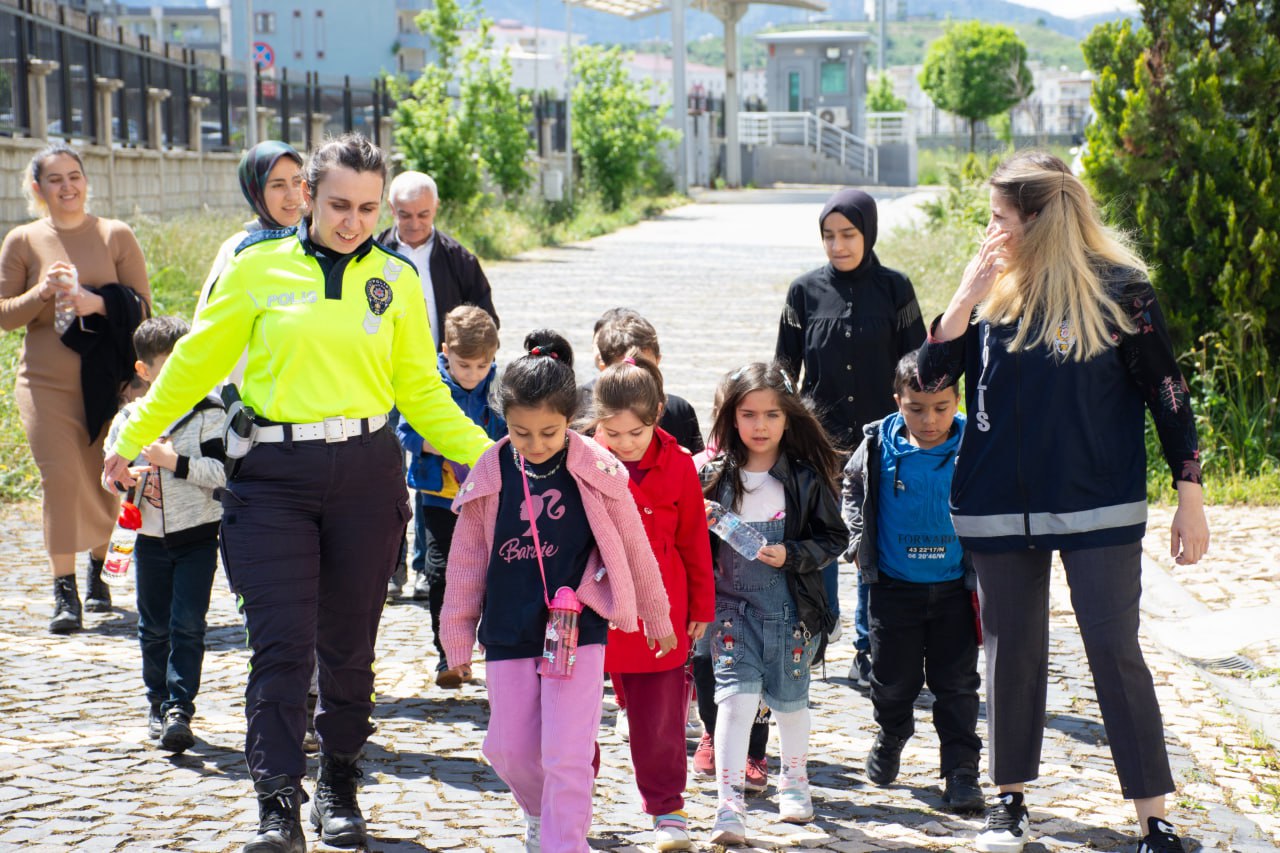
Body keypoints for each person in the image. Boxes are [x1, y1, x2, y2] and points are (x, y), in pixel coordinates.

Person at [104, 133, 493, 853]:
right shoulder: (257, 268)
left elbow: (423, 395)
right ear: (308, 194)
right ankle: (277, 802)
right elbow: (193, 366)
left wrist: (493, 461)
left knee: (349, 648)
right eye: (340, 204)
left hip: (368, 475)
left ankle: (340, 781)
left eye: (369, 208)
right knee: (281, 647)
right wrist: (133, 437)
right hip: (272, 480)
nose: (354, 221)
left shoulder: (397, 282)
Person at [917, 151, 1210, 853]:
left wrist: (1188, 489)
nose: (991, 232)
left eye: (1000, 218)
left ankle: (1153, 817)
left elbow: (1167, 392)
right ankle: (1009, 802)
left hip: (1098, 507)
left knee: (1113, 648)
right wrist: (963, 294)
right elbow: (926, 377)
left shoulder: (1122, 291)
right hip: (996, 506)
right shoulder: (989, 294)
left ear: (1042, 218)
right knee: (1012, 649)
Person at [441, 330, 677, 853]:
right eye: (521, 432)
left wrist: (657, 616)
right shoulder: (491, 467)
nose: (536, 444)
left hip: (578, 626)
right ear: (504, 420)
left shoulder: (597, 465)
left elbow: (635, 547)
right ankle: (538, 810)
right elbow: (465, 563)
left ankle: (564, 843)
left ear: (570, 418)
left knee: (567, 753)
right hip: (508, 626)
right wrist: (456, 641)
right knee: (509, 750)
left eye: (549, 431)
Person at [0, 142, 151, 634]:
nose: (67, 187)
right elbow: (5, 317)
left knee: (103, 474)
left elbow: (144, 310)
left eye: (74, 176)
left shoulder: (115, 235)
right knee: (60, 478)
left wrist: (96, 302)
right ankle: (64, 589)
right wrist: (41, 292)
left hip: (109, 379)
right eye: (55, 179)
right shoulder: (22, 241)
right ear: (37, 188)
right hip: (43, 381)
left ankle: (98, 570)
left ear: (86, 180)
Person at [775, 189, 925, 674]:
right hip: (817, 440)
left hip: (881, 440)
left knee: (869, 541)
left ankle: (868, 646)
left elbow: (916, 365)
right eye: (828, 236)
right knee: (822, 538)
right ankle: (820, 629)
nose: (838, 245)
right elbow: (783, 369)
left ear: (869, 233)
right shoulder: (803, 292)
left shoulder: (895, 289)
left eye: (848, 234)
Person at [699, 362, 847, 846]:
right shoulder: (714, 475)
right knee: (735, 701)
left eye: (772, 415)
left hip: (790, 612)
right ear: (730, 417)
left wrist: (793, 554)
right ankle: (728, 802)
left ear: (789, 418)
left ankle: (795, 780)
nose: (760, 426)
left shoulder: (804, 476)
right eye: (748, 414)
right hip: (730, 612)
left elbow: (833, 537)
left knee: (788, 703)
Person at [841, 351, 982, 813]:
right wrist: (858, 536)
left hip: (955, 592)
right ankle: (894, 729)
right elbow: (853, 486)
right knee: (892, 681)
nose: (930, 419)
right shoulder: (879, 444)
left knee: (957, 685)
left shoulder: (975, 443)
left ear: (957, 401)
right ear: (897, 401)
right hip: (893, 589)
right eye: (916, 408)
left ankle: (961, 770)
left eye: (941, 407)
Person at [590, 352, 714, 851]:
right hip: (593, 607)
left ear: (657, 414)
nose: (622, 446)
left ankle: (667, 808)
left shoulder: (681, 464)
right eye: (611, 434)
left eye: (634, 435)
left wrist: (701, 607)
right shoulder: (581, 458)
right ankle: (570, 798)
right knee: (575, 717)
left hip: (660, 612)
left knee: (660, 719)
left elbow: (693, 542)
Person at [376, 170, 499, 601]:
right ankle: (390, 568)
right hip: (384, 377)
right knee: (386, 473)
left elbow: (487, 317)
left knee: (437, 472)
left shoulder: (458, 258)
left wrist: (466, 363)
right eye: (405, 215)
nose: (413, 224)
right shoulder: (374, 254)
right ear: (391, 211)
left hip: (446, 380)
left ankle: (429, 566)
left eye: (423, 215)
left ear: (436, 210)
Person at [103, 316, 224, 755]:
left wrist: (175, 462)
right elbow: (108, 477)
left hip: (197, 536)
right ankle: (156, 703)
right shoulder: (129, 420)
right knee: (153, 627)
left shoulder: (210, 413)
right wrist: (123, 479)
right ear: (145, 371)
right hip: (148, 541)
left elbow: (222, 474)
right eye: (171, 365)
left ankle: (179, 709)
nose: (182, 373)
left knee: (188, 624)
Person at [395, 305, 506, 689]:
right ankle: (450, 656)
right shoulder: (429, 387)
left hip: (488, 498)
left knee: (493, 576)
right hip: (439, 499)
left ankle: (498, 654)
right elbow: (405, 432)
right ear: (445, 352)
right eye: (464, 366)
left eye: (481, 366)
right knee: (442, 574)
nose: (473, 375)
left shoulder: (499, 388)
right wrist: (443, 442)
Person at [690, 372, 773, 792]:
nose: (755, 426)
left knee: (758, 675)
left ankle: (755, 753)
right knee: (706, 665)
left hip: (763, 593)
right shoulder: (701, 469)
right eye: (743, 415)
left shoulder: (782, 470)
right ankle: (711, 730)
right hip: (713, 591)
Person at [581, 308, 704, 454]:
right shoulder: (580, 405)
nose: (633, 379)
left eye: (643, 369)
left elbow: (698, 465)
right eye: (613, 433)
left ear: (658, 361)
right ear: (603, 367)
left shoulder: (679, 411)